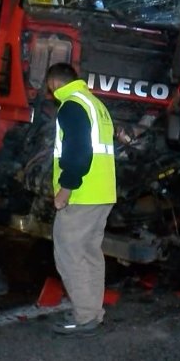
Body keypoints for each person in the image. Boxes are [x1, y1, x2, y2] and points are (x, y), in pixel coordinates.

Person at [44, 62, 117, 336]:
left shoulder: (72, 106)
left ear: (54, 84)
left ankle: (85, 316)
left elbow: (80, 152)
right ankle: (92, 312)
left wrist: (66, 188)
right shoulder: (95, 104)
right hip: (102, 192)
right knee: (89, 254)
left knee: (69, 254)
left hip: (83, 194)